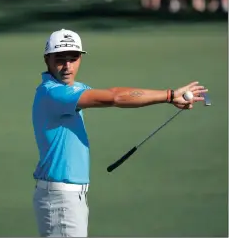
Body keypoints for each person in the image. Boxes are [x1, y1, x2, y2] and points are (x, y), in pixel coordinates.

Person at [31, 29, 208, 237]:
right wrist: (169, 95)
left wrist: (170, 98)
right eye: (60, 59)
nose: (68, 66)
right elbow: (115, 97)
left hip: (66, 197)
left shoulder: (70, 88)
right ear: (47, 60)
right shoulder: (54, 93)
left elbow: (114, 92)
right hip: (61, 199)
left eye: (74, 58)